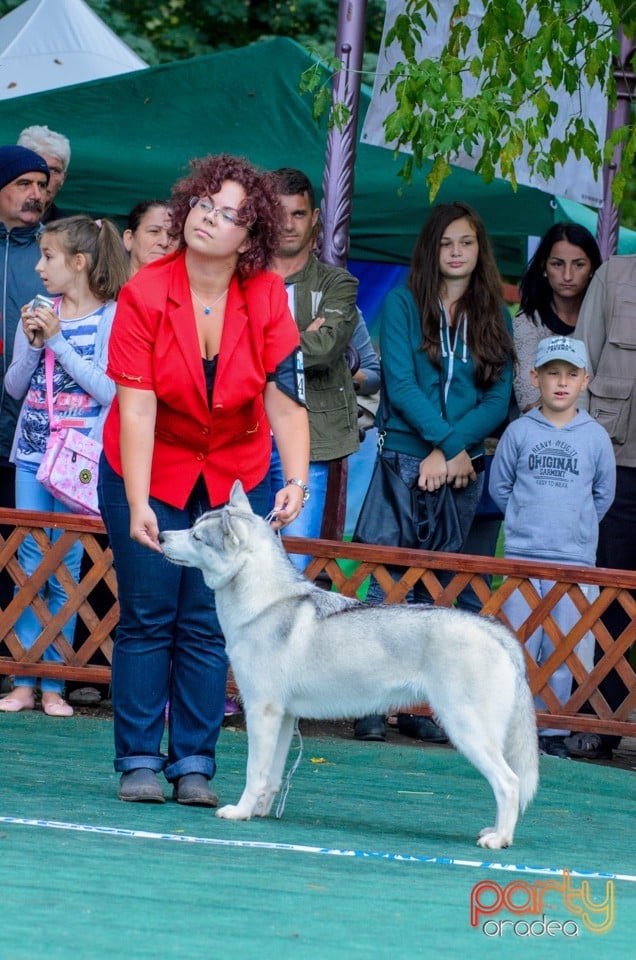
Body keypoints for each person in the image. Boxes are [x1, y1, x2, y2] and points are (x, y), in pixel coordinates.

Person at [98, 153, 310, 806]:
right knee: (149, 614)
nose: (206, 220)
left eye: (228, 215)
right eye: (203, 206)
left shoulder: (267, 294)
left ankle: (193, 763)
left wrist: (296, 477)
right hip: (149, 464)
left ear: (251, 236)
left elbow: (284, 397)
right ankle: (137, 758)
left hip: (235, 474)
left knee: (207, 623)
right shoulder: (144, 291)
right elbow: (136, 405)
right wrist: (138, 500)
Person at [355, 201, 515, 742]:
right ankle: (373, 703)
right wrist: (449, 449)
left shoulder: (496, 310)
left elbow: (498, 399)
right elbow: (399, 386)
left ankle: (429, 709)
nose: (455, 252)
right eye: (446, 243)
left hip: (464, 466)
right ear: (431, 248)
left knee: (444, 588)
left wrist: (455, 454)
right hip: (406, 454)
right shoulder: (403, 303)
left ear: (479, 249)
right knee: (386, 582)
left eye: (466, 242)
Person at [0, 216, 129, 716]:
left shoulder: (113, 317)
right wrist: (34, 344)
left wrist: (56, 342)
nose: (39, 266)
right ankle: (22, 678)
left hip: (81, 461)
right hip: (32, 454)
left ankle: (55, 680)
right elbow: (13, 387)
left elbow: (109, 391)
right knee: (29, 563)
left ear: (79, 262)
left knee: (68, 566)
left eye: (48, 257)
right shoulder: (35, 310)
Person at [489, 336, 615, 758]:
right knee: (519, 643)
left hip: (574, 561)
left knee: (566, 647)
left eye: (570, 375)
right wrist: (528, 526)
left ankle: (553, 731)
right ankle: (514, 726)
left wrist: (573, 532)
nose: (561, 383)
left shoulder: (595, 437)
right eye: (551, 374)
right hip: (523, 560)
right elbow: (501, 487)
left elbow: (603, 495)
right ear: (534, 378)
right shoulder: (519, 432)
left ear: (585, 381)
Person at [268, 167, 359, 568]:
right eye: (278, 213)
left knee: (292, 567)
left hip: (312, 440)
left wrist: (257, 342)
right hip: (243, 437)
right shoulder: (240, 278)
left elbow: (324, 350)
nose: (288, 225)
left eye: (299, 214)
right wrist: (303, 333)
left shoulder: (339, 283)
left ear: (316, 218)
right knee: (234, 563)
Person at [571, 253, 636, 760]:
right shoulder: (614, 274)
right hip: (619, 462)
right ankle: (602, 718)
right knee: (610, 595)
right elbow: (581, 363)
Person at [0, 146, 51, 512]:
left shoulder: (57, 250)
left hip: (31, 431)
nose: (36, 194)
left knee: (24, 550)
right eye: (23, 183)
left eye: (42, 185)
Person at [513, 222, 601, 414]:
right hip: (540, 433)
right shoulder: (527, 322)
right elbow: (528, 403)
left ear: (592, 268)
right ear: (544, 267)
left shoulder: (604, 321)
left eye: (578, 264)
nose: (567, 275)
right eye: (557, 264)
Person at [17, 125, 71, 223]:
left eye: (54, 170)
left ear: (63, 179)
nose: (45, 177)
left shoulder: (70, 235)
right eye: (39, 167)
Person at [122, 199, 177, 274]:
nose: (164, 242)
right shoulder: (104, 284)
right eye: (154, 231)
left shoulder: (188, 285)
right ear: (129, 239)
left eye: (172, 235)